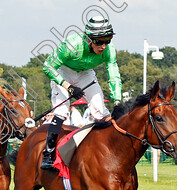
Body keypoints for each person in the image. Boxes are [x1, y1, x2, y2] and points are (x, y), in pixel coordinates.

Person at [40, 16, 122, 170]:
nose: (104, 45)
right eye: (99, 41)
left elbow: (113, 73)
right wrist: (67, 86)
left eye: (108, 40)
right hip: (63, 71)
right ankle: (48, 154)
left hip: (86, 74)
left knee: (100, 111)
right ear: (88, 39)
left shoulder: (109, 50)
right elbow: (47, 66)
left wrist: (117, 99)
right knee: (61, 111)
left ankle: (110, 152)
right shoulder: (71, 45)